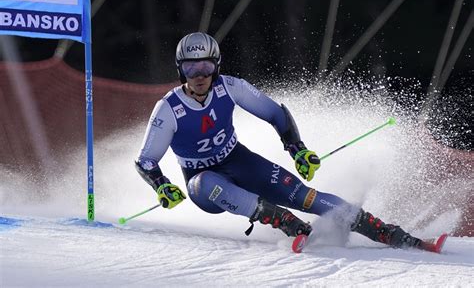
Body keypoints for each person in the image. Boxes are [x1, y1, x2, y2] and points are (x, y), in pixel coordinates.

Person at [135, 32, 426, 251]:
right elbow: (146, 160)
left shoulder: (231, 87)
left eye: (206, 68)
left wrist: (297, 149)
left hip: (240, 161)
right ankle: (284, 221)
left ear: (217, 66)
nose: (199, 76)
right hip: (205, 183)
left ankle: (383, 230)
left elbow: (276, 113)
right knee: (204, 184)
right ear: (180, 70)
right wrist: (161, 185)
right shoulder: (168, 109)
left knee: (304, 196)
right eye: (190, 69)